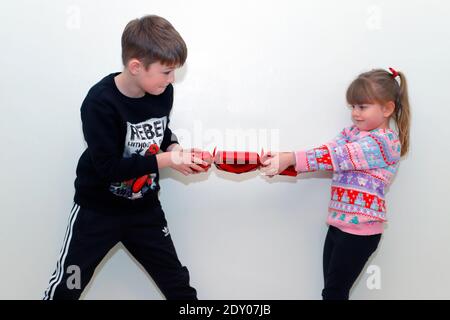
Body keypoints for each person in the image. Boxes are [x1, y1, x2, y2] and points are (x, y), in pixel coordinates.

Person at [43, 15, 209, 300]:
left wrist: (174, 150)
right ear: (136, 67)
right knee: (67, 288)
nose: (171, 80)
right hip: (96, 212)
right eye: (166, 72)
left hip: (144, 212)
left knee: (179, 287)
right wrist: (167, 162)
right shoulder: (99, 103)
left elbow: (161, 132)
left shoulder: (161, 92)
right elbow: (109, 168)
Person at [260, 68, 410, 300]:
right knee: (332, 292)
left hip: (360, 233)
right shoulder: (352, 133)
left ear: (387, 108)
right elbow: (326, 151)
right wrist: (285, 157)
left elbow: (337, 157)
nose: (355, 114)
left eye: (362, 107)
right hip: (339, 226)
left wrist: (291, 159)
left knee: (334, 293)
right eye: (353, 107)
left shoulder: (383, 143)